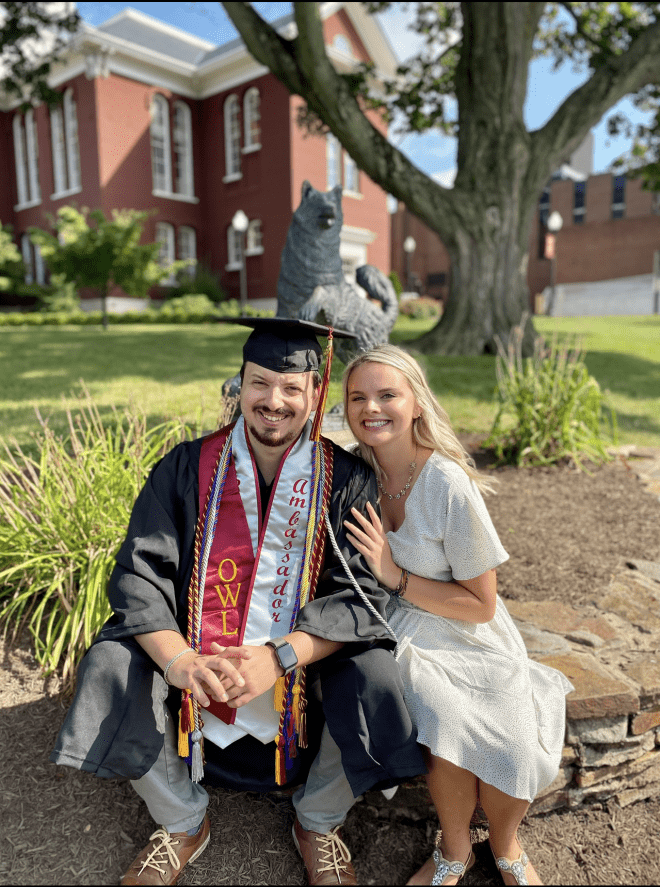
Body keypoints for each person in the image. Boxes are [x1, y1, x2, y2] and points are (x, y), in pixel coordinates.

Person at [51, 320, 426, 887]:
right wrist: (181, 662)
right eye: (259, 383)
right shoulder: (185, 469)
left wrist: (279, 656)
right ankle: (181, 821)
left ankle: (319, 822)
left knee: (376, 672)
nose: (273, 401)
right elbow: (139, 577)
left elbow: (360, 596)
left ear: (314, 394)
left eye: (291, 388)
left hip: (300, 690)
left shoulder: (345, 479)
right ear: (240, 384)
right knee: (108, 663)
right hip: (194, 686)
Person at [342, 344, 574, 887]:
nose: (372, 407)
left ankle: (506, 844)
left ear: (416, 404)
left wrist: (391, 572)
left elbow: (481, 603)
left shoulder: (447, 484)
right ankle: (453, 850)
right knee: (443, 714)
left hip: (468, 627)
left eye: (388, 395)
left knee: (512, 735)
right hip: (402, 628)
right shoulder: (356, 471)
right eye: (359, 397)